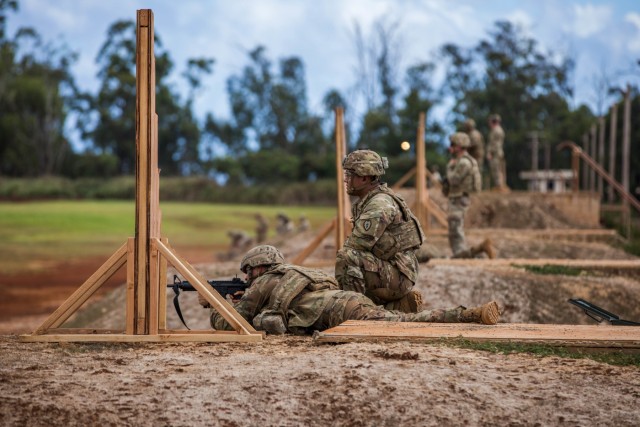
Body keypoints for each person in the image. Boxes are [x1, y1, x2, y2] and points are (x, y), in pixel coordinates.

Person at [203, 245, 501, 335]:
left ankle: (469, 314)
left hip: (337, 312)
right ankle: (401, 305)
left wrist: (216, 305)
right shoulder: (292, 274)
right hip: (345, 300)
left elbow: (230, 322)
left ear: (258, 269)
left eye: (249, 272)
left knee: (400, 326)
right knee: (387, 318)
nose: (247, 277)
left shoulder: (264, 284)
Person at [335, 149, 425, 313]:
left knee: (348, 258)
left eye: (350, 175)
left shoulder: (379, 204)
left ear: (364, 177)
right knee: (351, 264)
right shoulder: (371, 199)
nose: (345, 179)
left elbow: (355, 247)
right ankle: (396, 307)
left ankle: (354, 313)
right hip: (395, 271)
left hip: (398, 277)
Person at [445, 133, 495, 259]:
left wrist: (450, 166)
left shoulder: (464, 163)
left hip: (459, 197)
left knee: (456, 228)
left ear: (460, 146)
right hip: (458, 197)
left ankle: (464, 253)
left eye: (453, 145)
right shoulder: (462, 161)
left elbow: (453, 180)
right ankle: (462, 253)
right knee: (454, 227)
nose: (451, 147)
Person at [487, 114, 507, 191]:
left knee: (496, 168)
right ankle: (500, 185)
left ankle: (499, 185)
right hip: (498, 152)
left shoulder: (496, 131)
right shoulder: (499, 130)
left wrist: (490, 152)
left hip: (495, 153)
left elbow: (494, 144)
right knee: (499, 169)